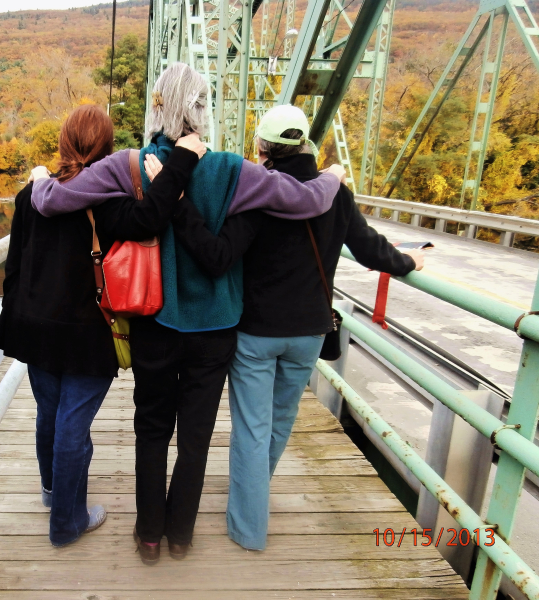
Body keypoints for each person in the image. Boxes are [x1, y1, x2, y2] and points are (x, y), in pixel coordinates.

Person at [29, 63, 347, 564]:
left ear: (158, 105)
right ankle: (181, 535)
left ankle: (148, 537)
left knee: (152, 431)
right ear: (204, 108)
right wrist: (332, 178)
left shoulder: (128, 165)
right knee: (196, 436)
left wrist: (40, 180)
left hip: (154, 321)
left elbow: (53, 201)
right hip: (217, 328)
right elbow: (308, 200)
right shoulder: (236, 171)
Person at [165, 103, 425, 551]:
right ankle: (253, 495)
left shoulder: (258, 193)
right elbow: (369, 250)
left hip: (256, 331)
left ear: (263, 147)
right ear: (306, 143)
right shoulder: (336, 193)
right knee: (280, 423)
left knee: (251, 426)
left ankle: (248, 527)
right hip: (309, 331)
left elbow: (223, 252)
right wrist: (408, 260)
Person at [0, 104, 206, 547]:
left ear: (64, 142)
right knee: (73, 427)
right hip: (89, 333)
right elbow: (153, 218)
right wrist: (183, 160)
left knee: (49, 415)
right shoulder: (107, 202)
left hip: (34, 328)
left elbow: (15, 267)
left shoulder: (33, 193)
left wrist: (18, 317)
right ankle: (68, 523)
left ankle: (54, 494)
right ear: (107, 148)